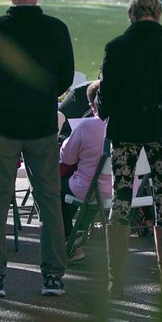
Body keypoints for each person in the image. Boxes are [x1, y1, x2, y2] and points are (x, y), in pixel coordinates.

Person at [0, 0, 75, 298]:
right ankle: (52, 276)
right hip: (41, 124)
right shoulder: (56, 29)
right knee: (48, 199)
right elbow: (64, 79)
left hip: (4, 123)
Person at [97, 0, 162, 300]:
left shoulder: (116, 47)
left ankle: (116, 282)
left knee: (121, 201)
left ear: (131, 14)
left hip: (125, 129)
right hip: (161, 130)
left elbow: (104, 105)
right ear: (158, 12)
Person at [58, 81, 109, 262]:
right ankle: (77, 236)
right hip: (125, 190)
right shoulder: (130, 124)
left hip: (90, 189)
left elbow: (67, 159)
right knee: (89, 187)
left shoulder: (87, 126)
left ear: (92, 105)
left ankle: (69, 241)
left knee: (56, 187)